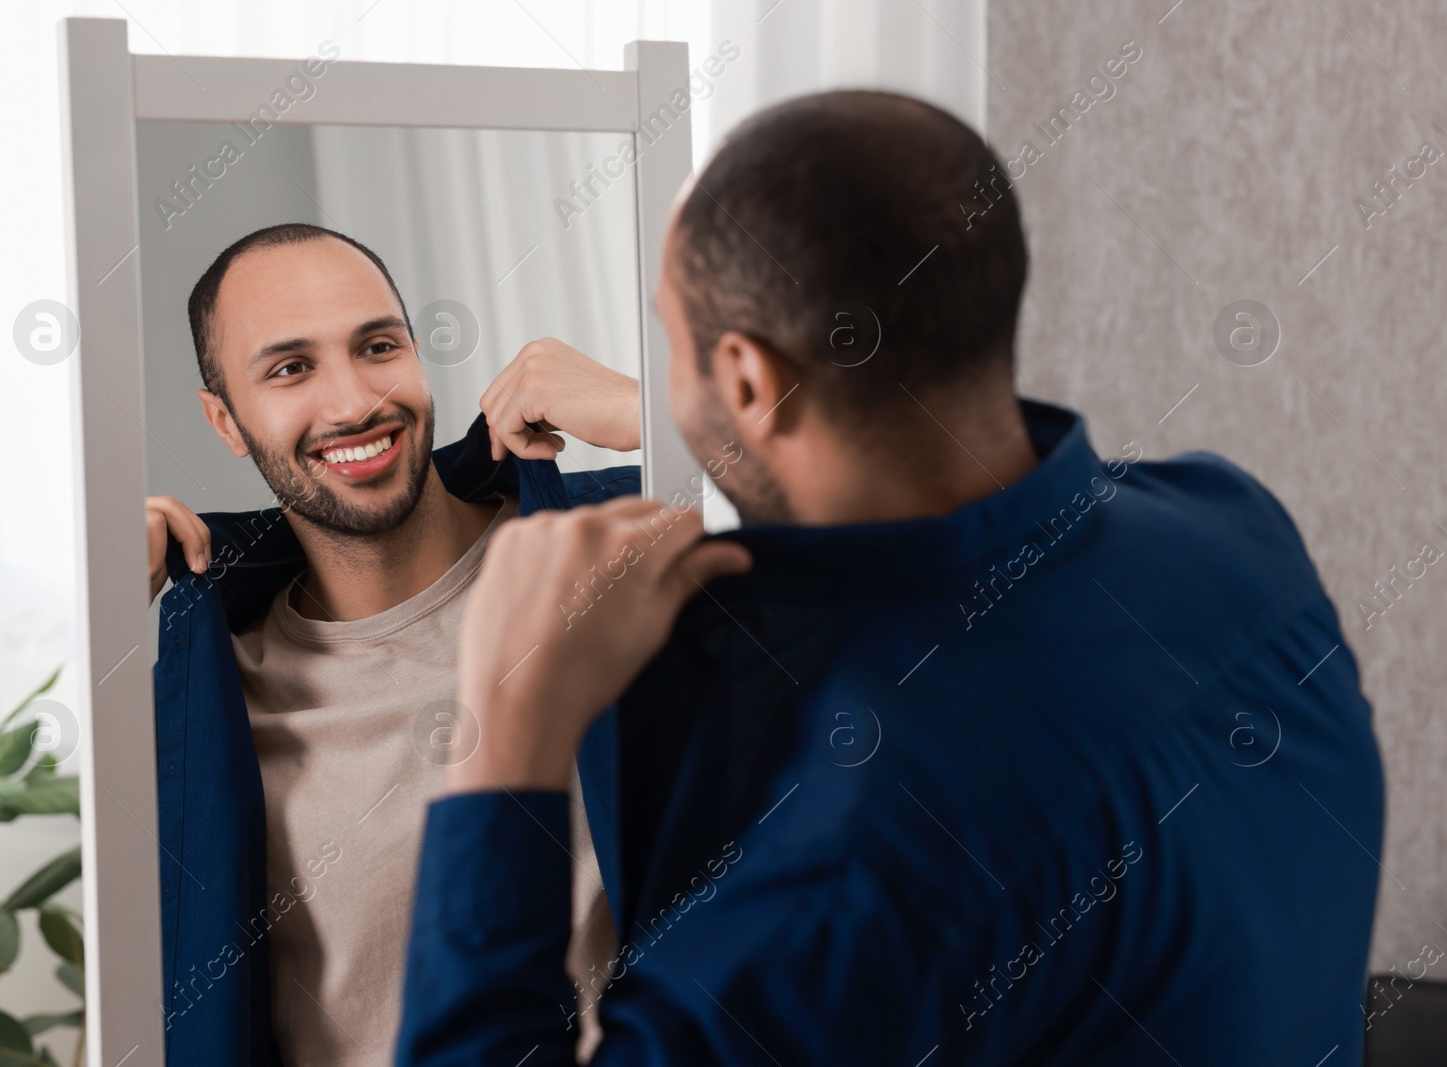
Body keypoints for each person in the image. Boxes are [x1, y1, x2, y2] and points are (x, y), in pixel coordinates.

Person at [395, 90, 1385, 1065]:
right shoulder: (1231, 526)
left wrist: (504, 740)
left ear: (746, 379)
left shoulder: (860, 852)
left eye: (669, 346)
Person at [146, 222, 642, 1066]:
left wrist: (661, 412)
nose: (352, 402)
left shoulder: (626, 550)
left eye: (377, 346)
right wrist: (79, 601)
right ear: (225, 420)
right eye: (291, 368)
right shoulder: (206, 708)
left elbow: (920, 555)